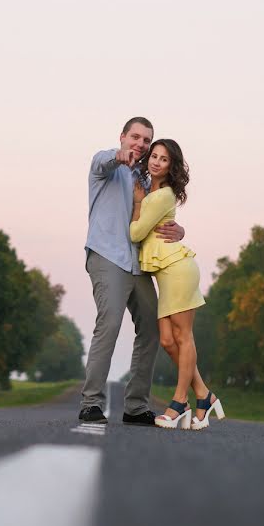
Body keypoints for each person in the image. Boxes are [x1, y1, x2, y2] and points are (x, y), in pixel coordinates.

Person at [79, 117, 185, 426]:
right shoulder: (106, 167)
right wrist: (118, 155)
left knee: (153, 327)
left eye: (145, 140)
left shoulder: (147, 178)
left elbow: (159, 212)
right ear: (123, 137)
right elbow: (101, 159)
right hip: (107, 255)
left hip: (137, 263)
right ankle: (91, 403)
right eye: (134, 137)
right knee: (109, 324)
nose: (139, 144)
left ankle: (136, 406)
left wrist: (178, 228)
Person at [129, 139, 224, 430]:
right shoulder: (154, 191)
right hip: (168, 272)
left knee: (183, 338)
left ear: (172, 167)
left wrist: (136, 202)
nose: (157, 162)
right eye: (154, 156)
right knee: (168, 341)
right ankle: (204, 395)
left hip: (177, 270)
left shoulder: (159, 196)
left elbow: (135, 233)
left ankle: (179, 403)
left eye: (164, 159)